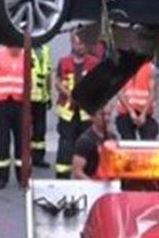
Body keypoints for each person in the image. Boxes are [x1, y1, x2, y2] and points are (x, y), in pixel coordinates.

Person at [54, 31, 99, 179]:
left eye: (83, 44)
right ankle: (62, 177)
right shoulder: (63, 62)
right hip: (68, 111)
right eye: (77, 43)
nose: (80, 47)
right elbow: (57, 82)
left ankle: (85, 176)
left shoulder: (93, 63)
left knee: (86, 145)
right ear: (72, 44)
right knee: (65, 145)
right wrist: (69, 94)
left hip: (86, 113)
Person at [0, 44, 27, 189]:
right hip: (0, 103)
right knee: (2, 141)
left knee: (22, 142)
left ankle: (23, 177)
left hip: (20, 104)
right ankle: (1, 178)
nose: (18, 49)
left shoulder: (26, 56)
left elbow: (29, 81)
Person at [117, 56, 159, 140]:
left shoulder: (150, 68)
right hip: (126, 112)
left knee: (149, 138)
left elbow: (152, 93)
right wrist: (131, 111)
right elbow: (119, 92)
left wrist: (143, 114)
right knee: (128, 141)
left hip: (144, 113)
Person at [72, 105, 115, 180]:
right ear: (92, 117)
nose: (107, 118)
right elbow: (77, 173)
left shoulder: (112, 138)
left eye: (109, 114)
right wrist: (94, 186)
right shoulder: (85, 141)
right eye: (102, 115)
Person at [30, 42, 53, 168]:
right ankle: (26, 155)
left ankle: (38, 157)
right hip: (27, 97)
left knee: (40, 129)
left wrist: (49, 94)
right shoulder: (24, 48)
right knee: (26, 128)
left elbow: (48, 73)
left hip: (42, 96)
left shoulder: (45, 50)